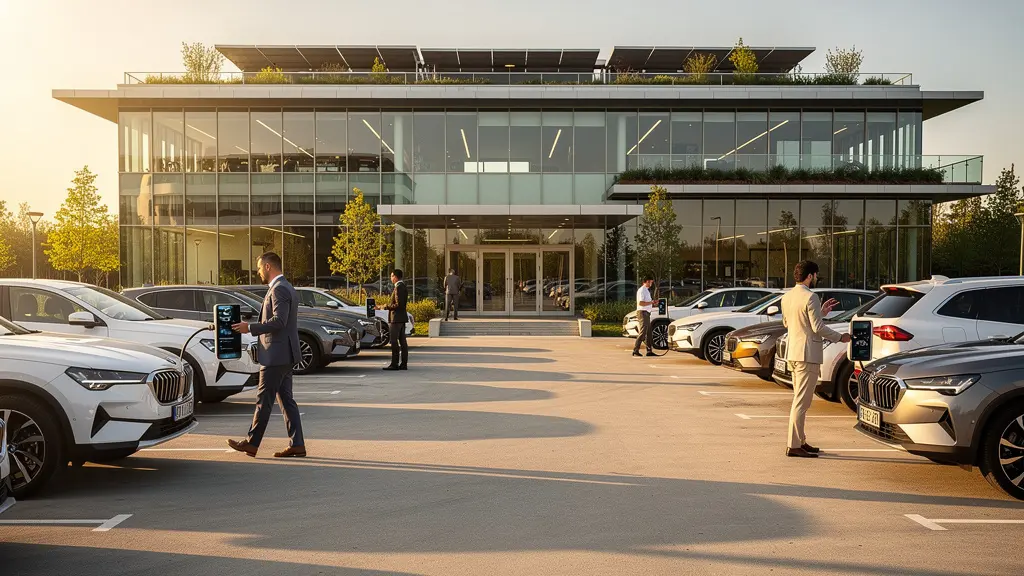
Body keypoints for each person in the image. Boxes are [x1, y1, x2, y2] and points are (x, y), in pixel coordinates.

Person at [226, 252, 306, 458]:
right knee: (286, 400)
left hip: (276, 354)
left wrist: (249, 327)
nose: (259, 271)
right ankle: (297, 444)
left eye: (260, 268)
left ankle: (252, 443)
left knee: (264, 399)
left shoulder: (279, 289)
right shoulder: (285, 287)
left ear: (269, 267)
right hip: (284, 354)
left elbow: (280, 321)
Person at [780, 260, 851, 458]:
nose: (817, 278)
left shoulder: (787, 297)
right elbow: (817, 328)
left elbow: (788, 322)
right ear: (810, 276)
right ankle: (794, 445)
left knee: (799, 400)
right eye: (816, 275)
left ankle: (800, 441)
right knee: (802, 402)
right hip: (807, 355)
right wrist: (840, 337)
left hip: (793, 354)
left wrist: (822, 312)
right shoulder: (811, 297)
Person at [378, 268, 409, 370]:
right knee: (402, 341)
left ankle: (394, 364)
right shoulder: (403, 286)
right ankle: (403, 364)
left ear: (395, 277)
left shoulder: (398, 287)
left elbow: (398, 304)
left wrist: (386, 306)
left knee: (394, 341)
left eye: (391, 276)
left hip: (396, 318)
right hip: (401, 318)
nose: (391, 278)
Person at [633, 276, 657, 357]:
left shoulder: (646, 290)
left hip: (646, 313)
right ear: (646, 281)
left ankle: (649, 351)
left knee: (648, 332)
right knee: (643, 332)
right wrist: (651, 302)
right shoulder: (642, 290)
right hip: (643, 313)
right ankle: (636, 350)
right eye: (650, 282)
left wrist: (652, 303)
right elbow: (641, 303)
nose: (651, 284)